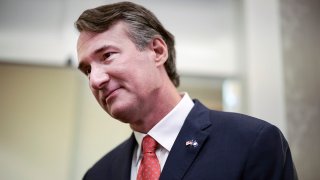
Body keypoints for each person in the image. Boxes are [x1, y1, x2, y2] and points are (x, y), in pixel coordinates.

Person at [75, 1, 297, 180]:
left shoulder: (252, 142)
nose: (95, 80)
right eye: (87, 70)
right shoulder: (98, 174)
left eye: (107, 56)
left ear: (157, 51)